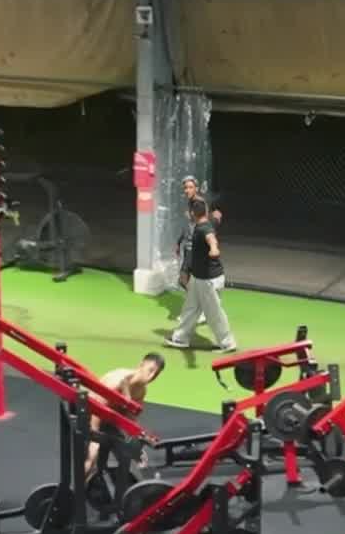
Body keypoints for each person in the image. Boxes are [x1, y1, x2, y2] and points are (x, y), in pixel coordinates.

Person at [84, 352, 165, 480]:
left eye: (156, 374)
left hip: (109, 419)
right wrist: (95, 437)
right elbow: (96, 407)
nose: (152, 376)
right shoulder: (117, 380)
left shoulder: (141, 391)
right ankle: (75, 494)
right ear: (141, 365)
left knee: (126, 452)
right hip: (90, 413)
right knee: (93, 455)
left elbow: (129, 418)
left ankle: (102, 485)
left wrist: (138, 442)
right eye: (151, 370)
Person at [169, 197, 235, 352]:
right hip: (199, 278)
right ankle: (180, 338)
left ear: (192, 213)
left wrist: (214, 249)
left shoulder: (204, 228)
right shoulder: (199, 226)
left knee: (214, 313)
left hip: (209, 280)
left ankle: (227, 342)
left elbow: (211, 239)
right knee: (190, 308)